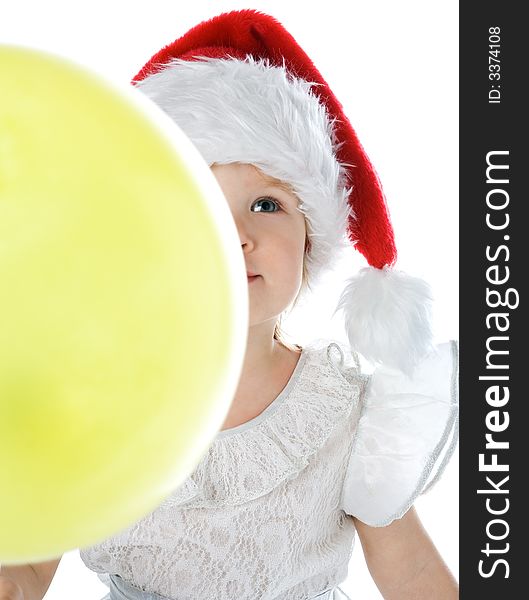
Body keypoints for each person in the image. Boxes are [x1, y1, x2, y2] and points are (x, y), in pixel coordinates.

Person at [0, 9, 458, 600]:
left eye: (266, 205)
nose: (234, 236)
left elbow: (411, 572)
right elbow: (30, 567)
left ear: (310, 239)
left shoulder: (344, 412)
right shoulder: (97, 394)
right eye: (201, 208)